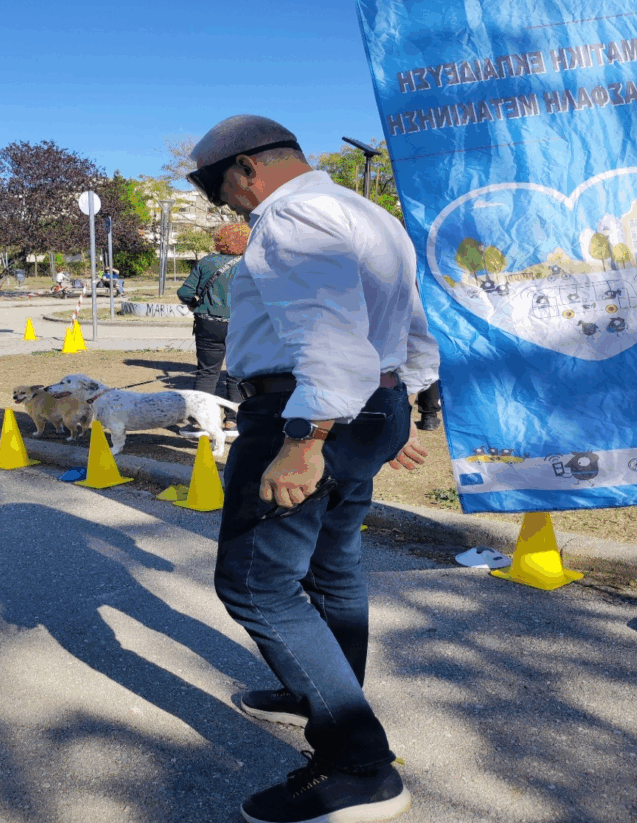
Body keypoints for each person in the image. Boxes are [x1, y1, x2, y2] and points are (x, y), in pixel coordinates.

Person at [185, 115, 438, 823]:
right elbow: (414, 325)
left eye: (221, 189)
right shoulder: (369, 214)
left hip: (302, 411)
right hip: (366, 402)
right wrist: (394, 406)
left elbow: (326, 334)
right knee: (332, 564)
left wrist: (308, 437)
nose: (228, 206)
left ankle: (358, 766)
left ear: (246, 167)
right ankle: (321, 691)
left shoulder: (291, 217)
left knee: (256, 584)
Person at [176, 223, 250, 437]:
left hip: (208, 323)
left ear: (220, 240)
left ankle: (199, 422)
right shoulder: (250, 263)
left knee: (207, 373)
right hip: (239, 324)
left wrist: (194, 303)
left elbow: (184, 292)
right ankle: (233, 421)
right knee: (236, 373)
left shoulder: (207, 262)